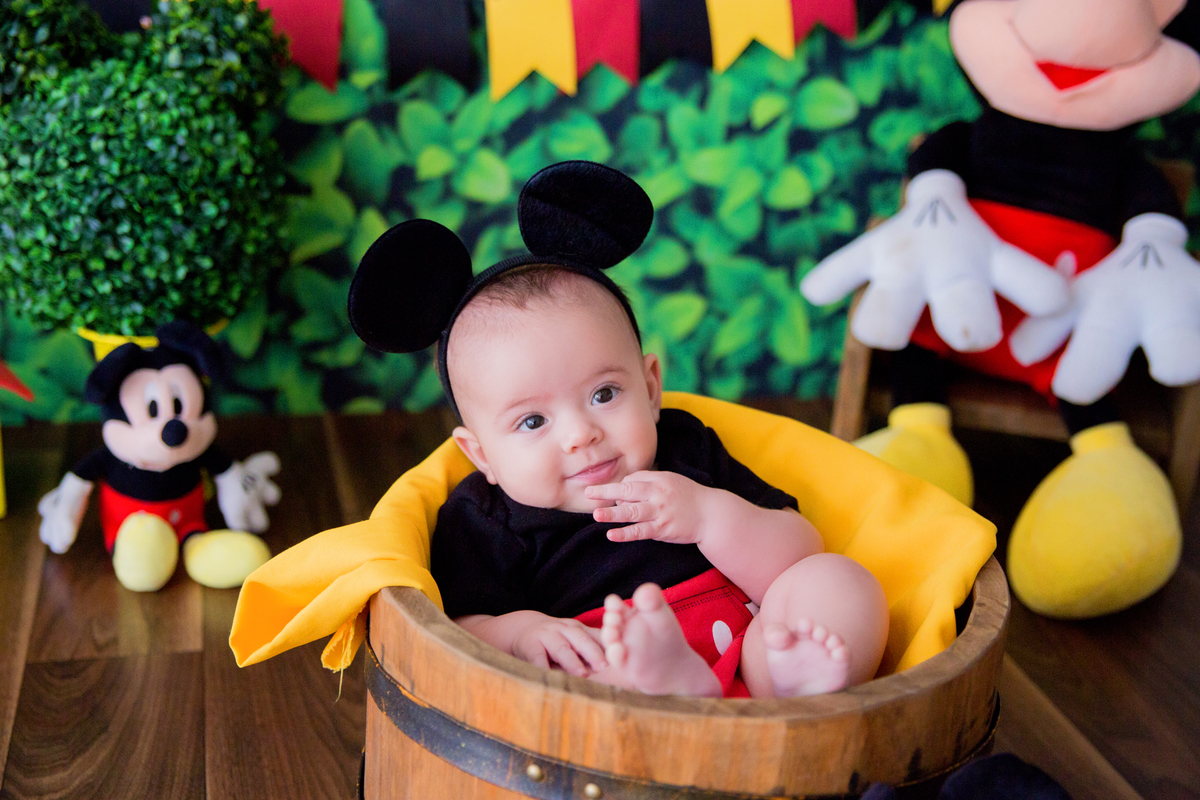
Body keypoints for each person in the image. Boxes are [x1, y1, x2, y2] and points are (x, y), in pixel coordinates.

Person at [429, 264, 889, 698]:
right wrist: (521, 632)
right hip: (617, 681)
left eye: (603, 394)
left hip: (753, 656)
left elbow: (799, 550)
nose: (579, 435)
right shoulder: (483, 519)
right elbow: (458, 631)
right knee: (552, 671)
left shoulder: (683, 448)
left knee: (839, 579)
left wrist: (709, 517)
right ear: (482, 454)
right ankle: (668, 688)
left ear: (650, 390)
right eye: (532, 421)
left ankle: (798, 684)